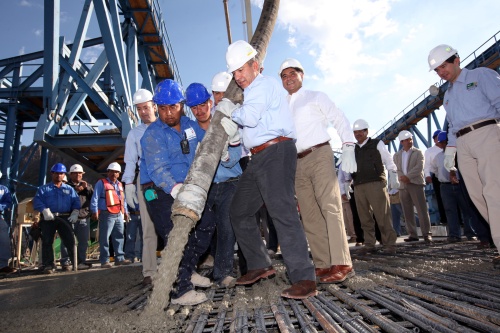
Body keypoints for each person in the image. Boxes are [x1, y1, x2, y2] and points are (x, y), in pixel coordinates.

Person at [216, 40, 317, 299]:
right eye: (234, 73)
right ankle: (260, 264)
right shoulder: (252, 92)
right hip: (259, 157)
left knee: (282, 212)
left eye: (241, 70)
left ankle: (304, 278)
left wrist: (230, 111)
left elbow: (248, 117)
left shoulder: (264, 84)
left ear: (255, 66)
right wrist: (235, 138)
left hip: (276, 152)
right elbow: (250, 124)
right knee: (239, 210)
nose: (237, 77)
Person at [278, 58, 356, 283]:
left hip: (319, 154)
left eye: (292, 73)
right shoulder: (282, 105)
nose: (288, 78)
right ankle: (323, 264)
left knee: (330, 206)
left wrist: (348, 145)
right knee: (309, 214)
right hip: (296, 162)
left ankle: (342, 262)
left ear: (302, 75)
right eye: (284, 76)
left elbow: (338, 117)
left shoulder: (316, 97)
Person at [140, 79, 216, 305]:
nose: (168, 112)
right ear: (156, 107)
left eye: (172, 107)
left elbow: (208, 141)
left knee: (207, 223)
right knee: (175, 235)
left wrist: (226, 145)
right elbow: (157, 168)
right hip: (158, 189)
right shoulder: (153, 134)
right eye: (162, 108)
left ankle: (189, 269)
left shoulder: (190, 126)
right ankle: (179, 290)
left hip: (186, 187)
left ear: (181, 105)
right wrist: (174, 188)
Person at [428, 44, 500, 266]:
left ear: (456, 60)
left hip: (486, 132)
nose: (441, 72)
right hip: (463, 143)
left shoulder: (480, 75)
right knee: (478, 197)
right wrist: (450, 150)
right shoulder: (447, 96)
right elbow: (451, 127)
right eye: (437, 70)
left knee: (494, 191)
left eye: (443, 66)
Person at [185, 82, 242, 288]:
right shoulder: (189, 130)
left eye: (202, 105)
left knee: (227, 227)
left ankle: (223, 273)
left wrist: (226, 156)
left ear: (210, 103)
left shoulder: (223, 123)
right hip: (204, 186)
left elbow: (237, 151)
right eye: (194, 107)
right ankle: (192, 269)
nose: (199, 111)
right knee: (202, 228)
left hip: (229, 182)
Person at [122, 88, 158, 286]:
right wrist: (128, 185)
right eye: (139, 109)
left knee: (173, 224)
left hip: (168, 181)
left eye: (146, 107)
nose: (143, 112)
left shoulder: (166, 127)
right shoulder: (134, 134)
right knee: (148, 226)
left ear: (154, 106)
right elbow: (130, 162)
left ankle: (180, 267)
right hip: (146, 182)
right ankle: (150, 271)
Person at [351, 119, 399, 254]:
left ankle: (389, 244)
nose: (358, 134)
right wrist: (346, 183)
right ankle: (369, 244)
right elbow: (347, 167)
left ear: (366, 131)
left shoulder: (377, 144)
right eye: (355, 132)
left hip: (376, 183)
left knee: (382, 215)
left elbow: (388, 159)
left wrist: (393, 174)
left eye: (361, 131)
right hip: (359, 185)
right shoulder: (353, 149)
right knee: (364, 217)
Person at [33, 163, 80, 274]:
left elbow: (76, 201)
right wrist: (44, 210)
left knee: (70, 241)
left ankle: (75, 263)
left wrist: (75, 212)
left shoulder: (69, 189)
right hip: (49, 218)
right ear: (52, 173)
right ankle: (49, 265)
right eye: (56, 173)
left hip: (65, 217)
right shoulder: (43, 189)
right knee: (47, 241)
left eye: (61, 173)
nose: (59, 175)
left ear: (64, 175)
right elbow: (38, 201)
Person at [393, 130, 432, 243]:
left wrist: (408, 177)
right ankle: (413, 234)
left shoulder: (418, 152)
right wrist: (402, 178)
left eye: (410, 139)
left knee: (422, 210)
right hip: (403, 185)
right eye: (407, 140)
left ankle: (426, 234)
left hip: (415, 183)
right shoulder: (397, 155)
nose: (410, 141)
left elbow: (419, 167)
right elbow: (396, 169)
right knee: (407, 211)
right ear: (401, 142)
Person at [90, 162, 131, 268]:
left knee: (119, 236)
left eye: (116, 172)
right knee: (105, 237)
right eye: (112, 171)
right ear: (108, 172)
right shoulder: (101, 183)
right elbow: (95, 197)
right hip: (106, 214)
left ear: (119, 174)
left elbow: (123, 199)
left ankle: (120, 258)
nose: (114, 173)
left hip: (118, 214)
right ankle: (105, 260)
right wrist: (94, 211)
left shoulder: (119, 184)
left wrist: (125, 212)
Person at [60, 164, 94, 270]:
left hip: (83, 217)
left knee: (83, 242)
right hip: (69, 217)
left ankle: (80, 262)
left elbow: (92, 198)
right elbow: (66, 196)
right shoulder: (65, 185)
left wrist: (86, 187)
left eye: (80, 173)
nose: (78, 175)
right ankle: (66, 262)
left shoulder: (87, 186)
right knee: (66, 240)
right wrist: (78, 189)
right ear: (70, 174)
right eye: (75, 173)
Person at [424, 129, 447, 225]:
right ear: (434, 139)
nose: (439, 140)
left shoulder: (449, 147)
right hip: (437, 176)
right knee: (440, 198)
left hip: (451, 173)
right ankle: (444, 219)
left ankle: (460, 220)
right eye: (437, 137)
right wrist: (428, 176)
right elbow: (427, 165)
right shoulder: (429, 151)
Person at [0, 172, 15, 274]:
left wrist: (0, 207)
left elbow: (8, 201)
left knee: (3, 238)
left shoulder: (3, 189)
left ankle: (2, 265)